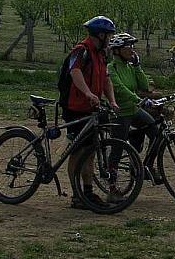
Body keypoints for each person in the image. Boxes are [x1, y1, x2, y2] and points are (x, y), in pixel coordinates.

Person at [61, 16, 119, 209]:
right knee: (77, 153)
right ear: (100, 35)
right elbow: (74, 71)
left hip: (91, 108)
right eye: (109, 36)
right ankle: (77, 196)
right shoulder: (81, 50)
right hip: (75, 108)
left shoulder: (101, 54)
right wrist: (87, 93)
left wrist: (111, 100)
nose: (110, 40)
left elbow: (106, 79)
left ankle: (87, 193)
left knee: (90, 151)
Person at [107, 32, 158, 177]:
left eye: (132, 46)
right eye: (128, 46)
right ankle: (112, 184)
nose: (132, 50)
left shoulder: (130, 67)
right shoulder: (111, 68)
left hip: (134, 110)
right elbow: (119, 88)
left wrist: (137, 66)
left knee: (155, 132)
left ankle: (145, 167)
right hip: (120, 113)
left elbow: (144, 85)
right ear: (117, 50)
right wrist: (137, 99)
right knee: (117, 148)